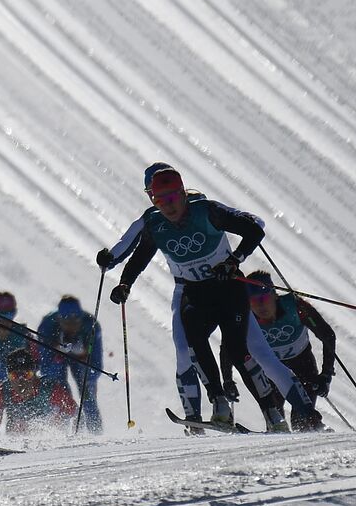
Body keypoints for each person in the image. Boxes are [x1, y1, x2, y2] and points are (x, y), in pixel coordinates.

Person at [100, 163, 322, 430]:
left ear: (183, 194)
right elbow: (139, 257)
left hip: (228, 290)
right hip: (194, 291)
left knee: (244, 351)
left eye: (172, 198)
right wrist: (125, 284)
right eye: (160, 200)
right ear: (152, 199)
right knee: (191, 344)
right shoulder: (155, 224)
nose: (168, 206)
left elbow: (255, 230)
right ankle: (218, 404)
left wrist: (234, 259)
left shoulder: (207, 211)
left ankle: (282, 415)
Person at [99, 162, 253, 422]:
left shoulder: (197, 205)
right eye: (152, 193)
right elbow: (129, 245)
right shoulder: (153, 217)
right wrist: (110, 260)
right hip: (186, 288)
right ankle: (196, 416)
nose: (158, 198)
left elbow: (248, 223)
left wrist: (237, 255)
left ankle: (280, 413)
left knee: (251, 350)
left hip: (222, 285)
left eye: (162, 192)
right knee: (185, 352)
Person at [222, 271, 337, 431]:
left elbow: (328, 335)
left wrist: (326, 374)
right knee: (275, 419)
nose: (260, 305)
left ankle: (315, 433)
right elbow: (228, 347)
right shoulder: (245, 318)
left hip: (303, 367)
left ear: (274, 295)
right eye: (254, 301)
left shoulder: (296, 307)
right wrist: (227, 380)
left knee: (303, 423)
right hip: (270, 374)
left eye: (264, 298)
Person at [37, 295, 103, 432]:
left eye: (75, 321)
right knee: (58, 390)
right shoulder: (46, 326)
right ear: (58, 319)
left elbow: (95, 368)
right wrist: (56, 354)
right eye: (66, 321)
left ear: (81, 318)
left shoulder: (91, 326)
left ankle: (95, 432)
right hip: (56, 359)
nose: (71, 326)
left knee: (87, 392)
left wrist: (83, 356)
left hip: (82, 360)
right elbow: (45, 367)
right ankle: (62, 430)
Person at [0, 348, 78, 434]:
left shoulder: (50, 389)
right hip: (15, 444)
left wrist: (75, 435)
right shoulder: (2, 392)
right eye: (14, 375)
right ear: (8, 376)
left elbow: (76, 413)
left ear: (34, 374)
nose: (21, 381)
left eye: (26, 375)